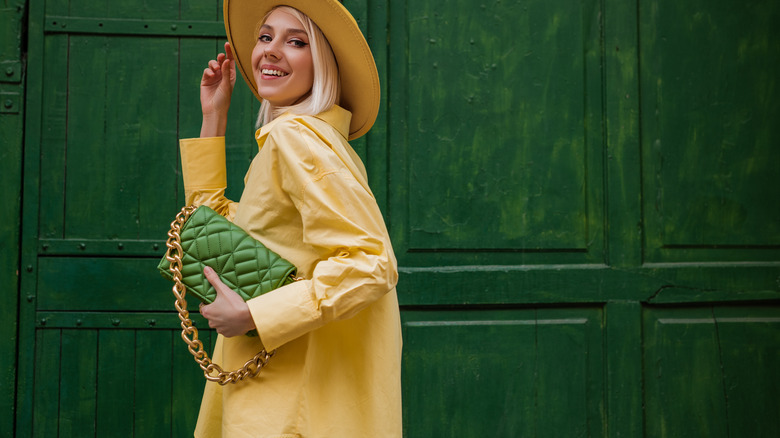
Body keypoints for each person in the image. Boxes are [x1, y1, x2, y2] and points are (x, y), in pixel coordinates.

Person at [178, 1, 402, 436]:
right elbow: (213, 232)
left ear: (323, 64)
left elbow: (372, 262)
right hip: (285, 389)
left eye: (296, 42)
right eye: (265, 37)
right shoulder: (307, 140)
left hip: (286, 402)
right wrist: (214, 117)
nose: (270, 49)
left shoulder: (295, 139)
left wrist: (256, 315)